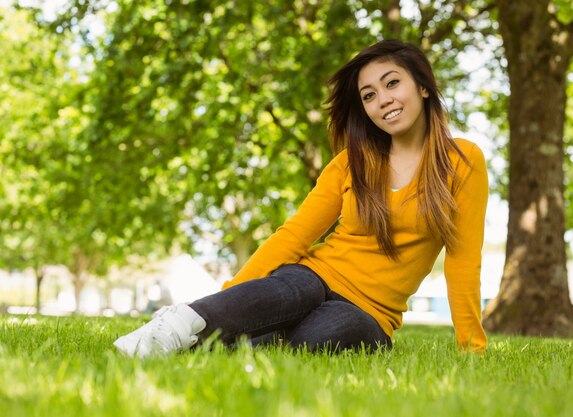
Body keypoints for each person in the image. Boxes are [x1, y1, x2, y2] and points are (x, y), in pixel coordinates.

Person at [113, 39, 488, 358]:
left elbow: (463, 261)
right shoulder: (350, 164)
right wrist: (233, 297)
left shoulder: (463, 162)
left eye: (392, 84)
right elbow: (293, 236)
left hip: (369, 313)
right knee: (296, 287)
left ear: (423, 87)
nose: (383, 100)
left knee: (315, 336)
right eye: (369, 95)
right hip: (314, 277)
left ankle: (212, 339)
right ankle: (180, 324)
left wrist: (472, 346)